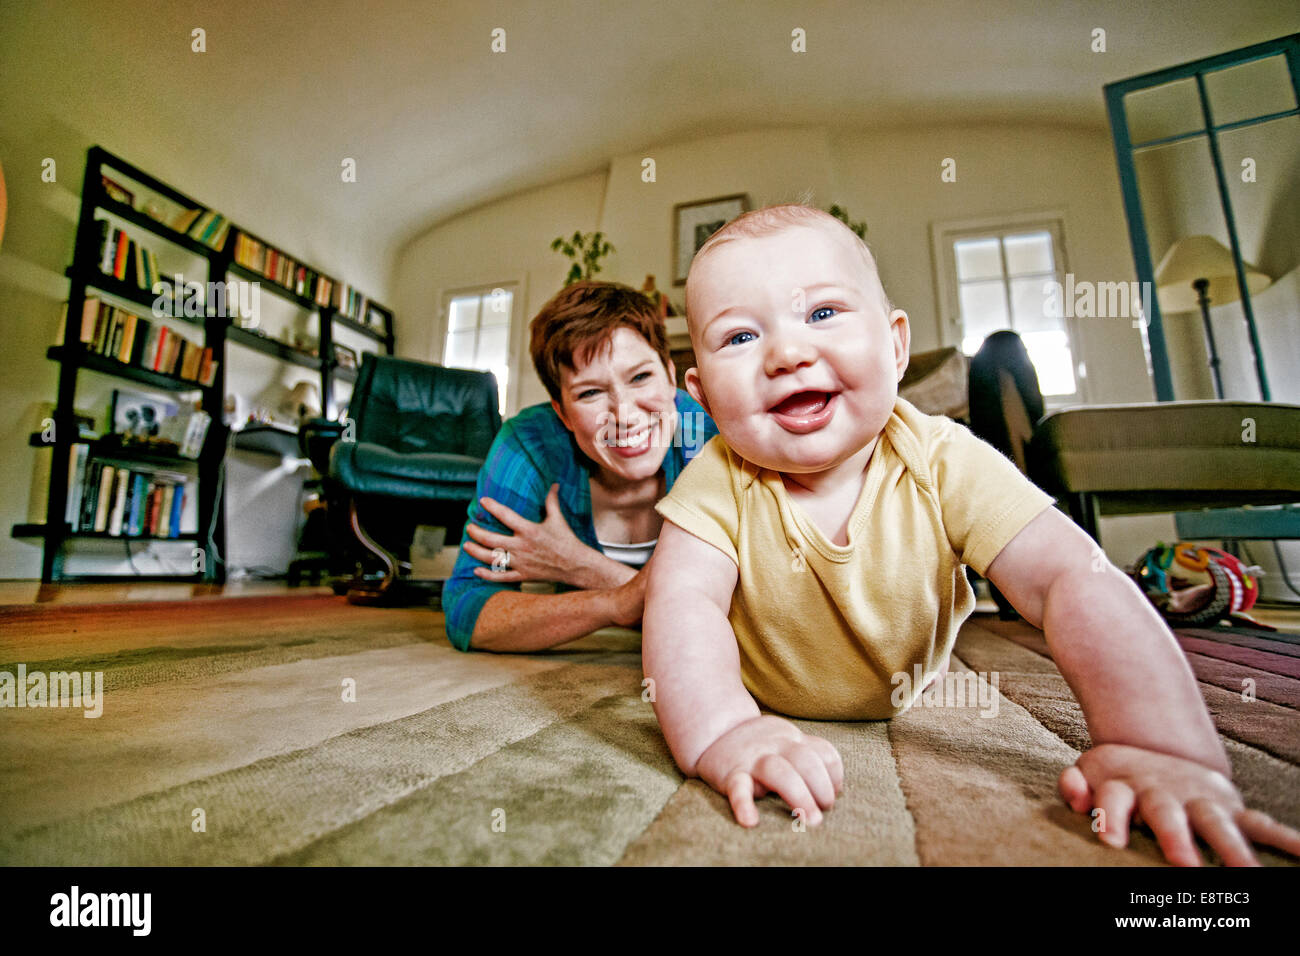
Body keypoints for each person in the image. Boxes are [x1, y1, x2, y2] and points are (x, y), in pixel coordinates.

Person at [642, 204, 1300, 866]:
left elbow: (1069, 577)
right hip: (762, 690)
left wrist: (1158, 746)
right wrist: (725, 729)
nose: (787, 353)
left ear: (896, 345)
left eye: (821, 314)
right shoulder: (717, 477)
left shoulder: (941, 458)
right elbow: (682, 604)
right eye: (740, 338)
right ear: (699, 393)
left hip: (908, 680)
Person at [443, 280, 716, 652]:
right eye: (590, 392)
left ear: (671, 377)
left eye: (640, 377)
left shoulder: (706, 431)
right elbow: (467, 611)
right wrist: (613, 603)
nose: (625, 415)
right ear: (562, 413)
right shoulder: (529, 443)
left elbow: (755, 615)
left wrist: (578, 565)